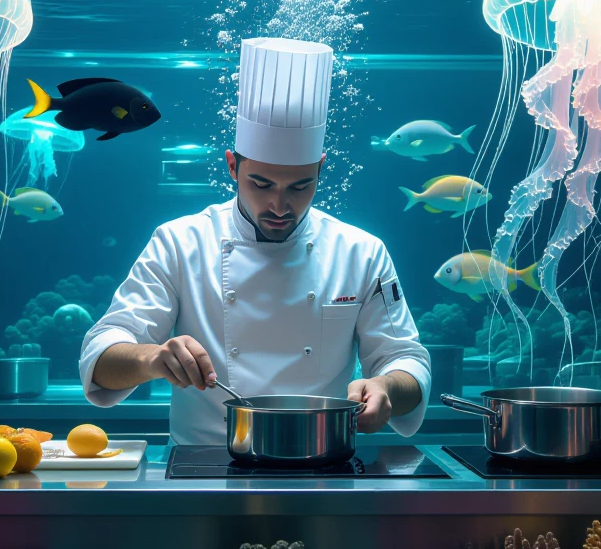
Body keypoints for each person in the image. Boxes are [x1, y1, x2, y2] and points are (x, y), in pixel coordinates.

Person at [79, 37, 431, 446]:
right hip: (203, 468)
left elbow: (407, 360)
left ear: (320, 169)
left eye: (301, 186)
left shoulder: (362, 252)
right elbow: (101, 356)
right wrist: (152, 358)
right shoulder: (179, 241)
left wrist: (387, 388)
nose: (279, 205)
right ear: (232, 165)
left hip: (321, 461)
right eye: (261, 184)